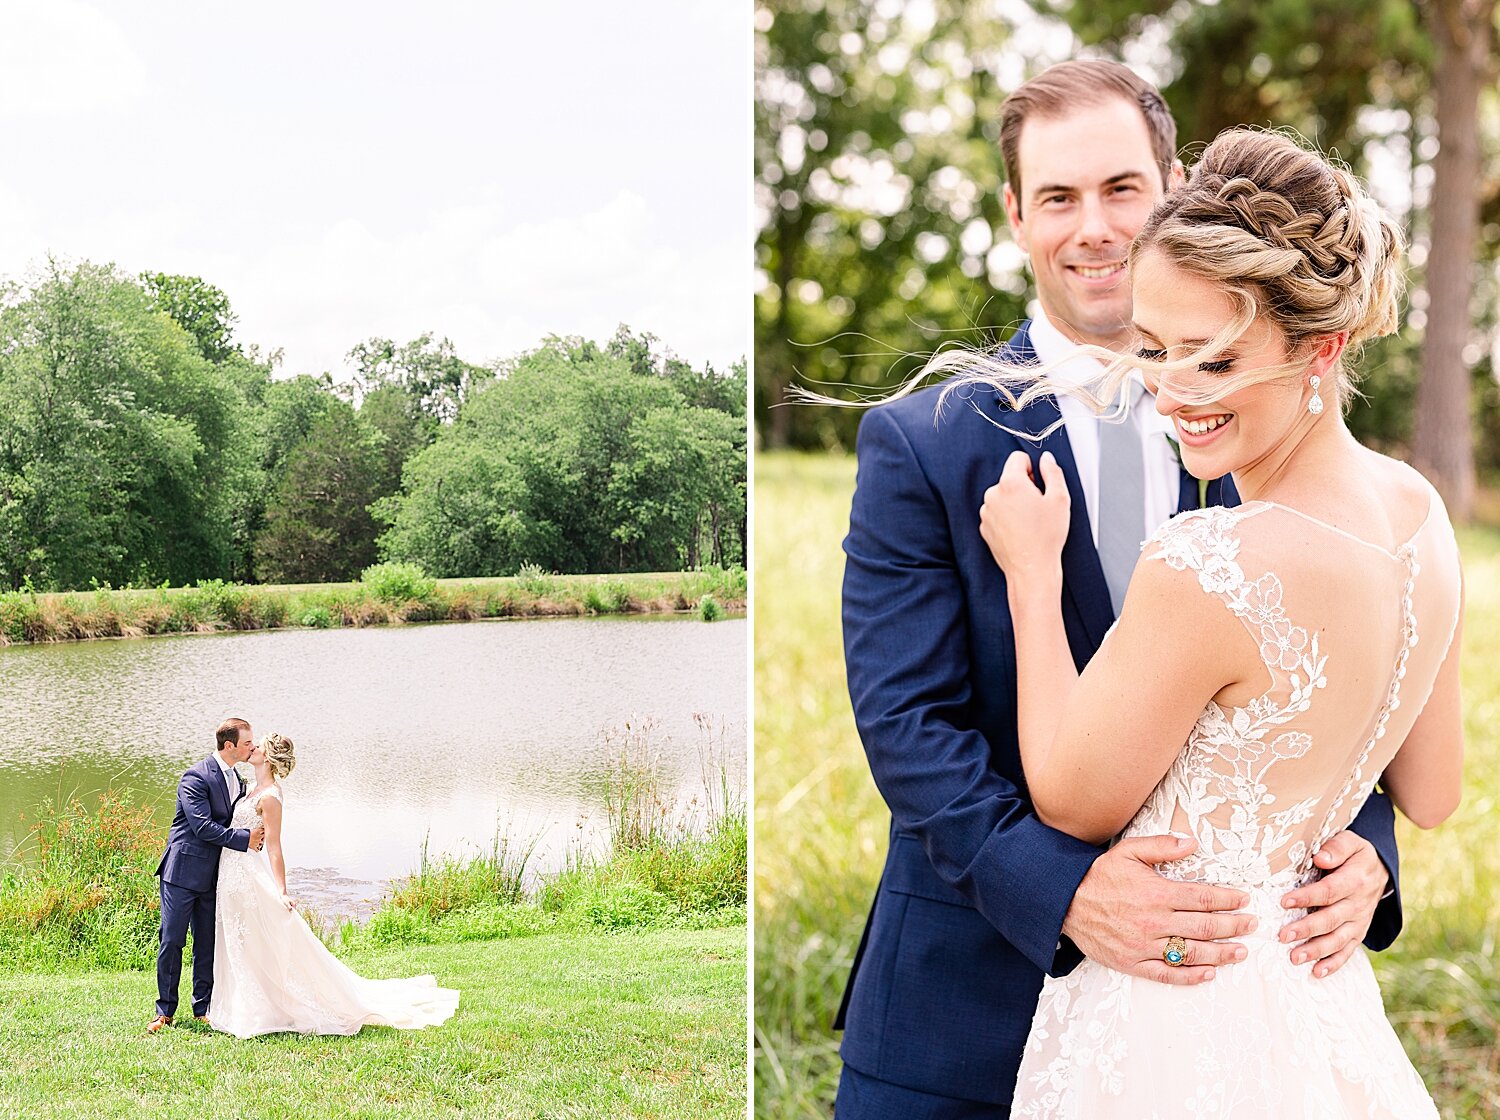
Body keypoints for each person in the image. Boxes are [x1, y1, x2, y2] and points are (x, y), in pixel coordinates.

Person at [832, 61, 1402, 1116]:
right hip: (964, 1011)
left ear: (1173, 186)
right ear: (1015, 215)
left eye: (1120, 189)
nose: (1092, 227)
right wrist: (1067, 893)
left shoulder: (1269, 428)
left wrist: (1366, 853)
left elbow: (1337, 667)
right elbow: (909, 727)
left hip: (1214, 1024)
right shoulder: (921, 443)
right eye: (1057, 196)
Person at [978, 125, 1459, 1117]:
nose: (1173, 390)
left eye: (1215, 357)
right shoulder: (1422, 516)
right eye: (1155, 349)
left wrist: (1033, 578)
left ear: (1320, 346)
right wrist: (1342, 844)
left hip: (1177, 1015)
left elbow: (1073, 799)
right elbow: (1435, 789)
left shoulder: (1215, 561)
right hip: (1314, 994)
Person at [207, 732, 460, 1038]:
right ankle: (242, 1006)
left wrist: (282, 890)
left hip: (250, 876)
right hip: (232, 873)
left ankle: (265, 1010)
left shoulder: (271, 796)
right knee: (241, 940)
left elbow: (274, 846)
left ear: (269, 758)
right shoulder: (250, 789)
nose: (253, 748)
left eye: (257, 746)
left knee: (262, 939)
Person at [149, 717, 265, 1033]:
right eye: (246, 743)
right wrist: (245, 839)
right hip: (182, 871)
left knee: (207, 943)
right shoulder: (195, 777)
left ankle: (204, 1007)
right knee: (172, 941)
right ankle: (165, 1012)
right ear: (229, 746)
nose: (252, 747)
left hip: (216, 874)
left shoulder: (238, 780)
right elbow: (201, 827)